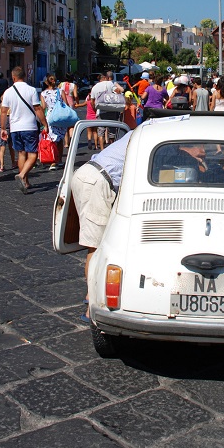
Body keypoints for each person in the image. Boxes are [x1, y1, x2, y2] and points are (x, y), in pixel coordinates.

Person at [72, 129, 135, 321]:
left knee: (102, 243)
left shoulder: (142, 131)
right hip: (97, 182)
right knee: (96, 247)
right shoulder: (155, 136)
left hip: (93, 176)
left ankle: (92, 296)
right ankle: (92, 306)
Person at [0, 66, 48, 192]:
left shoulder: (8, 92)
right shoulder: (31, 90)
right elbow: (38, 109)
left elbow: (3, 112)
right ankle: (22, 176)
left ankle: (25, 182)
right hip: (29, 127)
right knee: (33, 154)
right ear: (24, 76)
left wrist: (3, 128)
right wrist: (45, 124)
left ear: (13, 77)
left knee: (21, 154)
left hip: (15, 128)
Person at [41, 75, 67, 169]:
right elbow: (66, 104)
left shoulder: (43, 93)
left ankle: (53, 160)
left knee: (52, 139)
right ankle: (59, 160)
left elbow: (43, 107)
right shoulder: (60, 91)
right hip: (60, 116)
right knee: (59, 139)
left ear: (46, 82)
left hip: (50, 117)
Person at [0, 96, 17, 172]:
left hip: (1, 129)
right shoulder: (10, 110)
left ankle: (1, 165)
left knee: (2, 148)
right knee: (11, 147)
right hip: (10, 129)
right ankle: (13, 162)